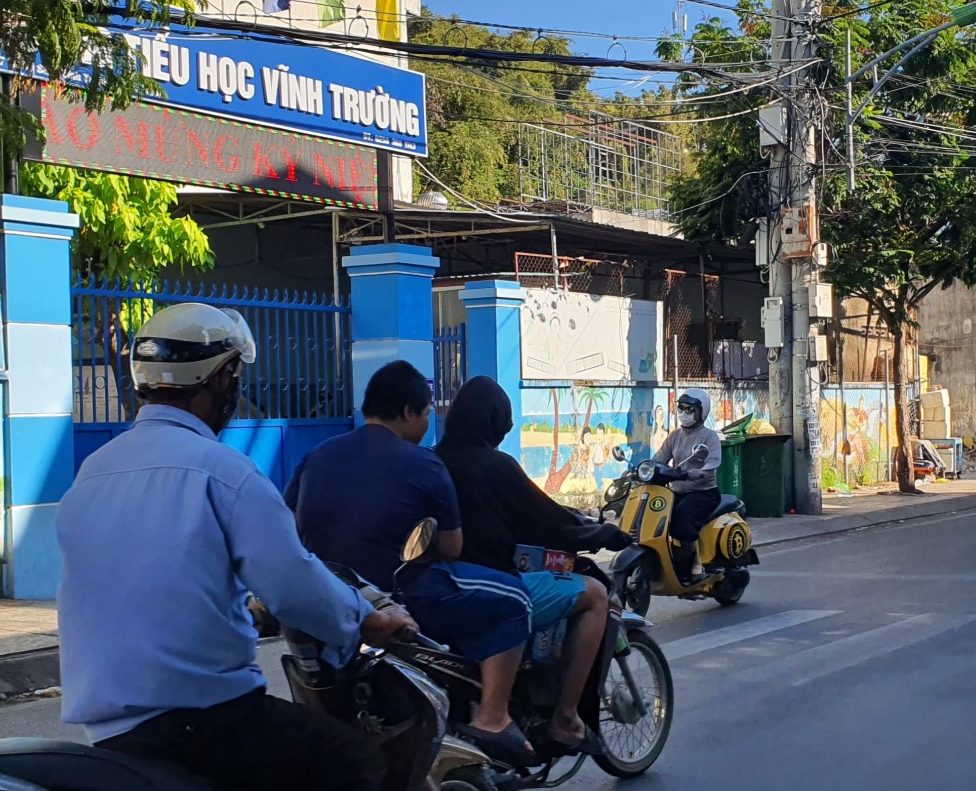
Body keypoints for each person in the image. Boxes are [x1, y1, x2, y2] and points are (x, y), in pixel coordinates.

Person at [56, 303, 417, 791]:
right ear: (224, 378)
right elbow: (293, 585)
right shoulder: (224, 472)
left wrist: (240, 613)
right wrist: (369, 619)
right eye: (235, 375)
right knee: (352, 759)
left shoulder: (92, 473)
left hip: (111, 731)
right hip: (202, 715)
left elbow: (146, 578)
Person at [285, 361, 538, 768]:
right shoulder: (424, 463)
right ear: (407, 412)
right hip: (400, 596)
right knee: (515, 599)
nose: (427, 422)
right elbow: (452, 548)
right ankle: (493, 717)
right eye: (424, 413)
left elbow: (292, 522)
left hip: (329, 594)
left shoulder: (318, 454)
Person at [435, 376, 629, 757]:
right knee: (595, 596)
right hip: (493, 588)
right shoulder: (496, 466)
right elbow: (548, 522)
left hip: (439, 589)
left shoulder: (433, 462)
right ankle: (566, 717)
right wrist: (602, 534)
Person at [653, 388, 722, 582]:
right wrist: (645, 468)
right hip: (677, 491)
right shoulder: (675, 436)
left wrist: (696, 472)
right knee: (656, 514)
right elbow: (659, 458)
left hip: (703, 492)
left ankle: (697, 563)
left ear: (701, 413)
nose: (684, 413)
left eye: (689, 409)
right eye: (681, 408)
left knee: (682, 516)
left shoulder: (709, 437)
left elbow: (713, 462)